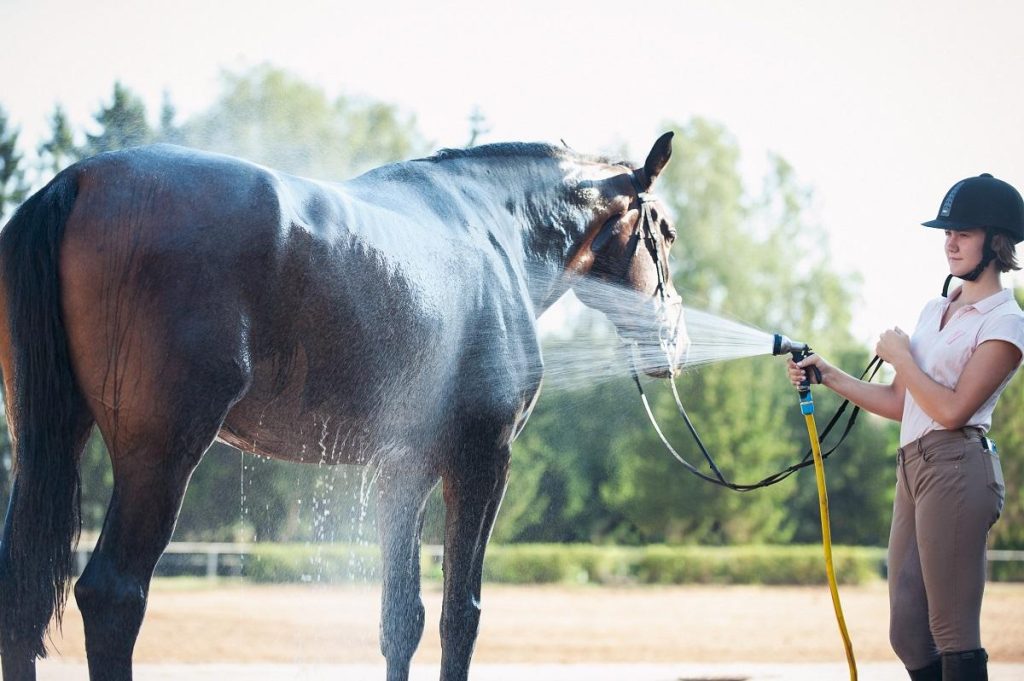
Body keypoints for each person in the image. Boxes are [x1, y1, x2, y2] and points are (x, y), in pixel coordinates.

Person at [788, 173, 1024, 681]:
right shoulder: (935, 309)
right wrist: (828, 374)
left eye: (964, 232)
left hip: (958, 467)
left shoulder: (1006, 323)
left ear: (996, 242)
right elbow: (903, 401)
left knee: (952, 632)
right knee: (908, 633)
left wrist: (899, 356)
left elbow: (954, 410)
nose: (951, 242)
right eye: (947, 233)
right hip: (913, 467)